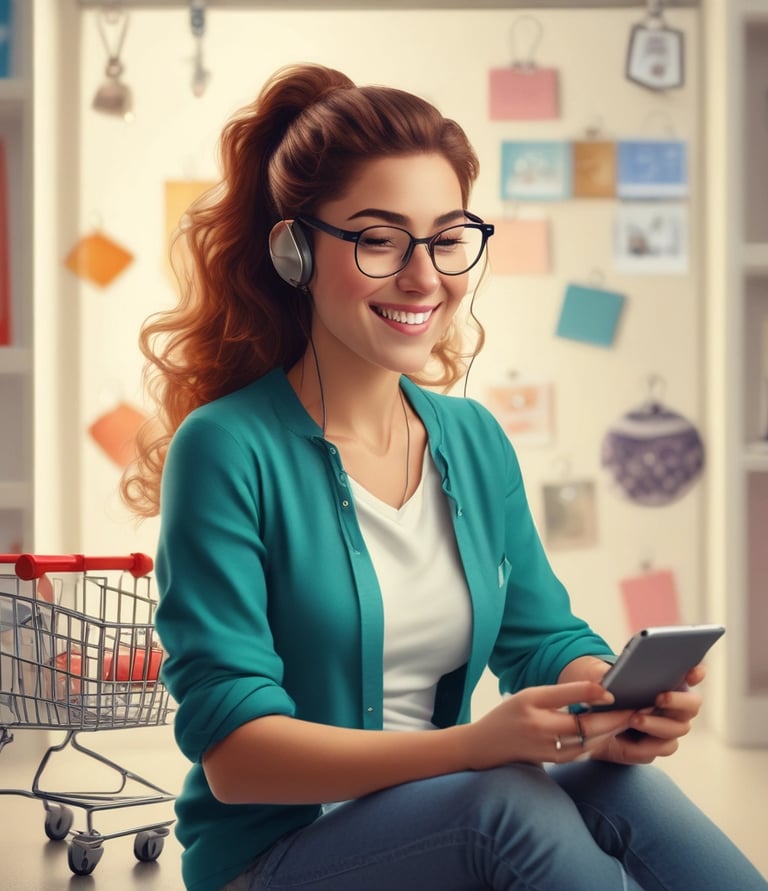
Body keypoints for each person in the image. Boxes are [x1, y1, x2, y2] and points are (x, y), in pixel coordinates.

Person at [122, 63, 767, 891]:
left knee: (620, 784)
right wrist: (476, 745)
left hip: (442, 818)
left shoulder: (471, 439)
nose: (425, 276)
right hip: (274, 860)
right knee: (506, 800)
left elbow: (541, 638)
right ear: (295, 251)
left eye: (448, 236)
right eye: (380, 238)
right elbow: (238, 757)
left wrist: (606, 695)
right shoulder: (226, 449)